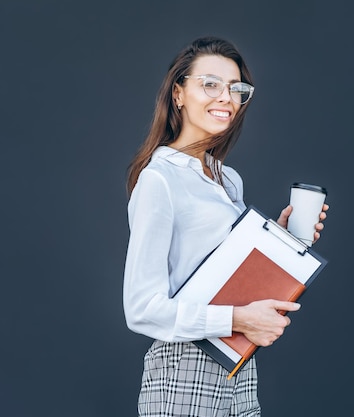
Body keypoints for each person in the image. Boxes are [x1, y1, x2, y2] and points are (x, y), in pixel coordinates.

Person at [123, 36, 329, 417]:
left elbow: (224, 274)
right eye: (210, 84)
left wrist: (282, 238)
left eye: (236, 89)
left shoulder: (227, 178)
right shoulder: (160, 179)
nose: (227, 98)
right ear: (178, 93)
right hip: (183, 367)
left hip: (237, 364)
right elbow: (141, 309)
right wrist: (238, 318)